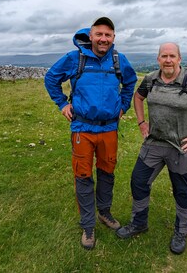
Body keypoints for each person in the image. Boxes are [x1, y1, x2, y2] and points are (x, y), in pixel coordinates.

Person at [116, 43, 187, 254]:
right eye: (164, 56)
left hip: (181, 148)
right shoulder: (151, 79)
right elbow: (138, 97)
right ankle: (139, 223)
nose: (168, 60)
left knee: (181, 190)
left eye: (172, 56)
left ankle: (181, 231)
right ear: (158, 58)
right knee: (138, 181)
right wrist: (142, 123)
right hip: (155, 143)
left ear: (179, 59)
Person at [45, 17, 137, 250]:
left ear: (113, 38)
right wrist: (62, 104)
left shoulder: (118, 60)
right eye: (99, 35)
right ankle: (88, 226)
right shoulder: (75, 58)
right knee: (83, 176)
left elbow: (130, 82)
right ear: (91, 35)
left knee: (107, 172)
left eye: (108, 35)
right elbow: (51, 78)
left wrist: (123, 106)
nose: (103, 39)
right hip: (82, 128)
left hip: (109, 129)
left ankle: (105, 213)